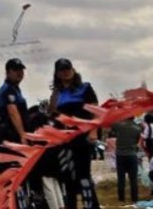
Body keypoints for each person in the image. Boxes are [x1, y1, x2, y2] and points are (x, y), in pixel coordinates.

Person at [48, 58, 99, 209]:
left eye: (68, 68)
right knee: (68, 178)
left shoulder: (85, 88)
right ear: (57, 73)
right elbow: (51, 115)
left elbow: (97, 111)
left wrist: (93, 131)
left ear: (73, 69)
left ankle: (91, 206)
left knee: (83, 176)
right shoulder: (57, 93)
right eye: (62, 70)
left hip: (82, 137)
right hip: (64, 141)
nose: (66, 72)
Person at [0, 58, 29, 174]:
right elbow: (13, 113)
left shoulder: (15, 89)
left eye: (21, 70)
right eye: (16, 70)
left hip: (13, 134)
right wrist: (22, 135)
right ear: (8, 72)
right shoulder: (8, 89)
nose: (20, 73)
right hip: (11, 135)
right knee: (16, 171)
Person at [110, 116, 142, 204]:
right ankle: (134, 199)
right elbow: (136, 142)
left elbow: (111, 123)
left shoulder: (119, 126)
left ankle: (121, 199)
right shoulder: (137, 129)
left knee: (121, 179)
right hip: (132, 154)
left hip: (120, 155)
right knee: (133, 179)